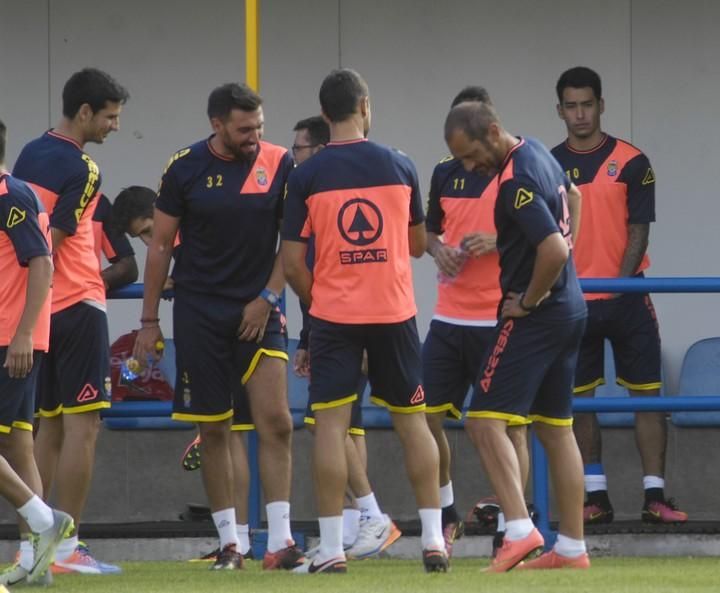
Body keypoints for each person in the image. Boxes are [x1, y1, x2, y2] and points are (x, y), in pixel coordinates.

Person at [283, 68, 447, 574]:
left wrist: (322, 303)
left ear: (325, 114)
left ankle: (332, 549)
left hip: (334, 317)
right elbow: (419, 245)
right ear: (365, 106)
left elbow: (291, 263)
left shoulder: (305, 175)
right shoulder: (400, 164)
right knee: (412, 422)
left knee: (330, 428)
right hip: (394, 312)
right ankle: (435, 541)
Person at [133, 83, 302, 571]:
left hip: (259, 312)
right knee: (214, 428)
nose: (254, 136)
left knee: (278, 422)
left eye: (260, 127)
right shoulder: (183, 167)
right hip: (199, 312)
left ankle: (282, 543)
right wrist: (148, 321)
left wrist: (267, 298)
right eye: (244, 128)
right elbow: (160, 245)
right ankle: (231, 544)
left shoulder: (278, 163)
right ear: (217, 125)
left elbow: (290, 244)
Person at [445, 100, 589, 571]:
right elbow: (575, 198)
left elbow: (551, 250)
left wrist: (529, 299)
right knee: (554, 428)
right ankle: (570, 549)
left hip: (537, 316)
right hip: (571, 308)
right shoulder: (540, 153)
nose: (470, 167)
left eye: (470, 155)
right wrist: (558, 283)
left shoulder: (515, 180)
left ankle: (520, 531)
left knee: (483, 421)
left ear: (491, 130)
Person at [551, 66, 687, 525]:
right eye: (571, 105)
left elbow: (638, 232)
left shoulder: (632, 161)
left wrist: (617, 286)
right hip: (573, 301)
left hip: (628, 298)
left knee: (647, 397)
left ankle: (654, 496)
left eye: (587, 103)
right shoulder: (547, 166)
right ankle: (596, 497)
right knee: (580, 402)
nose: (580, 113)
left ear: (601, 105)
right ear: (560, 110)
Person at [12, 67, 128, 575]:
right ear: (85, 112)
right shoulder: (85, 168)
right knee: (86, 424)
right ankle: (67, 547)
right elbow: (50, 244)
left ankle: (34, 543)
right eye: (110, 117)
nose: (114, 127)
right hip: (77, 302)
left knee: (46, 427)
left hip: (34, 312)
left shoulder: (29, 152)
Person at [112, 185, 255, 561]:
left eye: (147, 230)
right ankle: (240, 539)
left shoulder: (192, 227)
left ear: (161, 212)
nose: (148, 241)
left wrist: (179, 283)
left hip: (230, 330)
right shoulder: (183, 241)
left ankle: (246, 539)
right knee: (229, 432)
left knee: (232, 433)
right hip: (228, 330)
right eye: (140, 236)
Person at [424, 86, 531, 557]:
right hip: (448, 318)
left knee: (512, 427)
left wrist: (499, 238)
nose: (464, 157)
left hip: (499, 316)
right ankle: (447, 511)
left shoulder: (516, 171)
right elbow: (428, 231)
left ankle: (514, 523)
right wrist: (438, 250)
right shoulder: (444, 173)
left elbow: (560, 221)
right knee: (424, 416)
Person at [291, 116, 400, 559]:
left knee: (329, 425)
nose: (292, 155)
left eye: (297, 148)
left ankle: (371, 516)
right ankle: (354, 528)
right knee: (348, 427)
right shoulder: (318, 200)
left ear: (317, 150)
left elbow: (319, 275)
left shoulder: (323, 195)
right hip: (330, 327)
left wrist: (331, 331)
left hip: (347, 327)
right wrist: (306, 338)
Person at [0, 118, 75, 587]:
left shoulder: (9, 195)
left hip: (10, 338)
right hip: (11, 335)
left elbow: (43, 263)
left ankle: (47, 523)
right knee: (16, 443)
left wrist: (26, 333)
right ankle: (36, 557)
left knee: (16, 441)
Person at [92, 193, 138, 292]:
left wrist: (92, 282)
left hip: (84, 301)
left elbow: (129, 267)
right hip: (52, 299)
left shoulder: (97, 202)